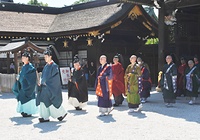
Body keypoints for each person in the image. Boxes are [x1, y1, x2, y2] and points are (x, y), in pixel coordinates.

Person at [36, 46, 67, 123]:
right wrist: (40, 81)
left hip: (50, 87)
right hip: (44, 88)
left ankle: (61, 114)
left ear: (50, 57)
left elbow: (55, 79)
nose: (45, 58)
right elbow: (43, 76)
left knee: (52, 101)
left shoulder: (54, 66)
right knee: (43, 101)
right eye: (44, 57)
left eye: (46, 57)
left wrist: (47, 83)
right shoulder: (46, 66)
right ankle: (44, 116)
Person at [12, 51, 38, 117]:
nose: (22, 58)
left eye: (23, 57)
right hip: (22, 86)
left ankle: (28, 112)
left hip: (28, 86)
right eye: (22, 57)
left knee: (27, 99)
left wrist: (23, 78)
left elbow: (31, 77)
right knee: (22, 97)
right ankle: (24, 111)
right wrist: (19, 77)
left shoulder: (30, 67)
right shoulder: (24, 67)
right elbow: (21, 75)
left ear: (27, 58)